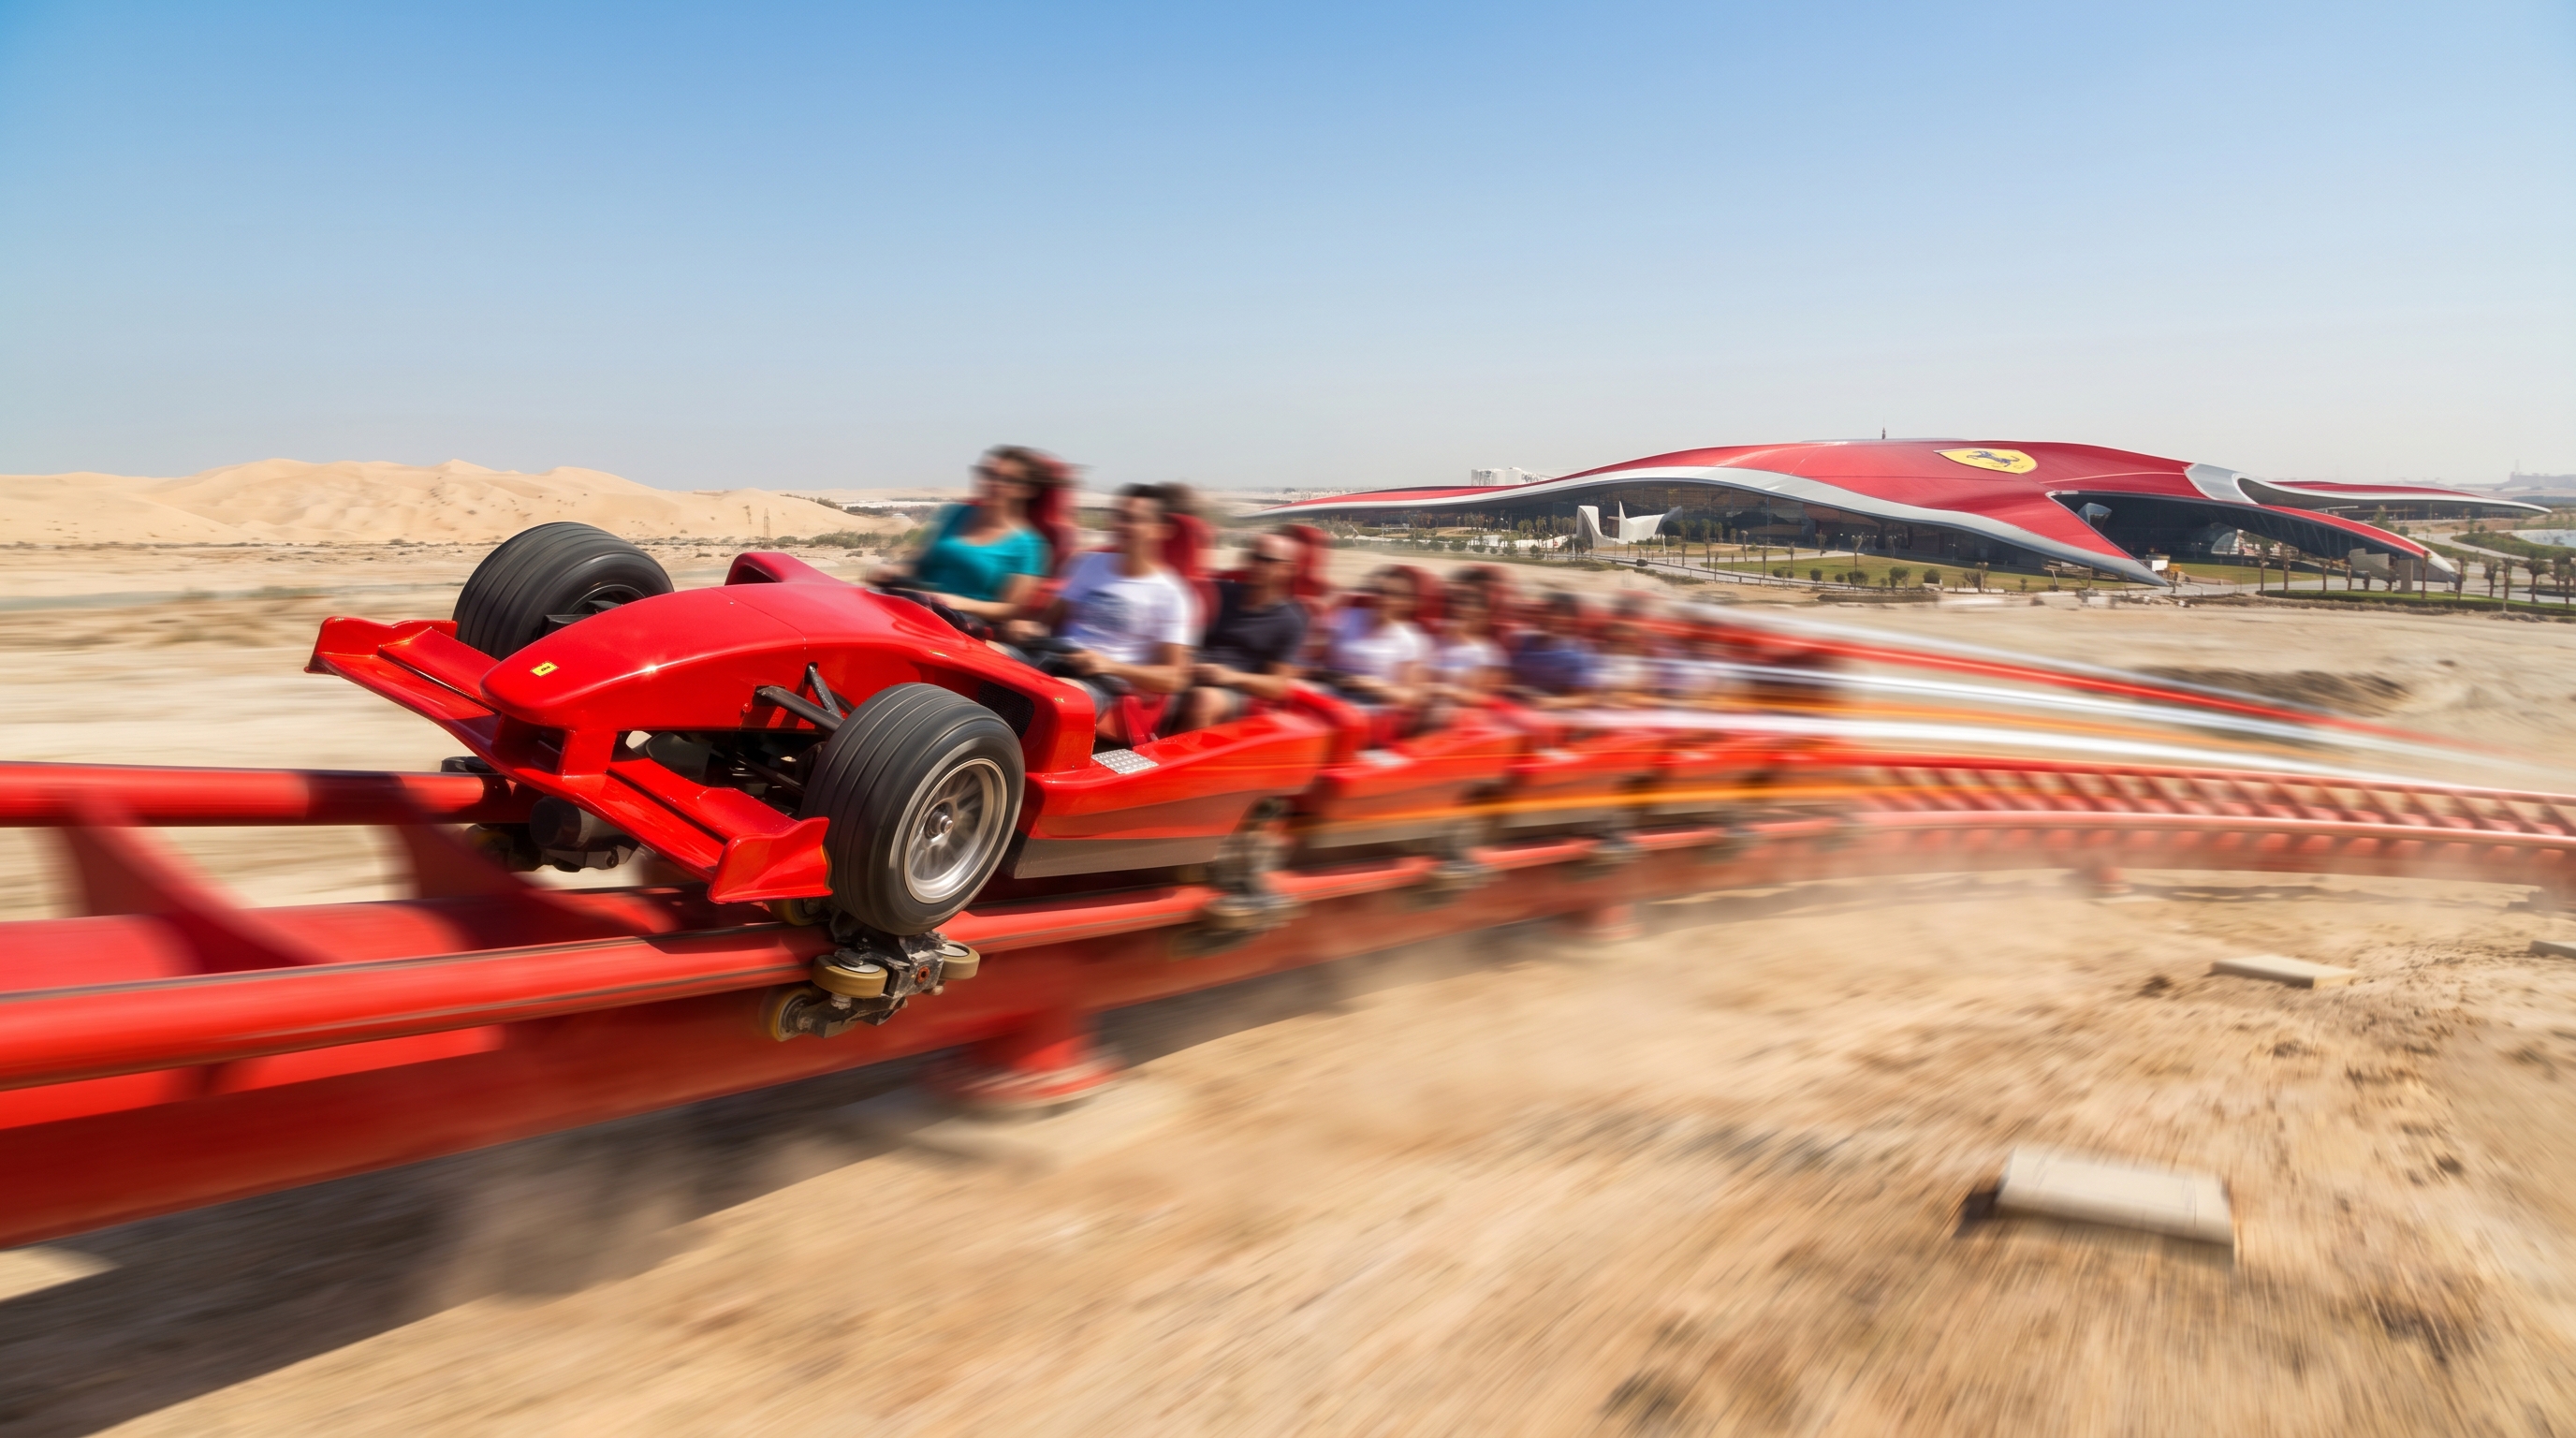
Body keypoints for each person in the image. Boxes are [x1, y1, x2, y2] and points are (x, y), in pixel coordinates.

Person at [1008, 484, 1197, 743]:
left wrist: (1108, 665)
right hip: (1056, 655)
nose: (1122, 525)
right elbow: (1046, 622)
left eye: (1134, 520)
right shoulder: (1088, 562)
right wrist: (1029, 628)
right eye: (1120, 516)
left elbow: (1174, 679)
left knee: (1048, 697)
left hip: (1105, 681)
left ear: (1161, 530)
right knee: (986, 657)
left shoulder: (1172, 594)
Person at [873, 446, 1063, 622]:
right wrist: (895, 571)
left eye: (1007, 479)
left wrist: (956, 603)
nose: (992, 483)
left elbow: (1012, 609)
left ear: (1028, 490)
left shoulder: (1028, 545)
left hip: (965, 627)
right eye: (988, 474)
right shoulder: (957, 513)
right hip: (919, 611)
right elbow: (920, 563)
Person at [1178, 530, 1309, 730]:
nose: (1256, 565)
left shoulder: (1291, 620)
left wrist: (1230, 676)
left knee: (1203, 700)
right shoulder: (1220, 592)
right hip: (1189, 671)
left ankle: (1182, 750)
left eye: (1266, 560)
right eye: (1253, 557)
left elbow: (1277, 686)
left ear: (1288, 569)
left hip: (1234, 689)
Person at [1324, 566, 1429, 712]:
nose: (1384, 599)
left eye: (1394, 594)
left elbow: (1412, 697)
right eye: (1380, 591)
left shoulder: (1412, 640)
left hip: (1370, 707)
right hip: (1329, 693)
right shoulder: (1347, 616)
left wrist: (1373, 686)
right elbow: (1315, 657)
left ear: (1409, 603)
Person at [1425, 579, 1505, 712]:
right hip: (1431, 705)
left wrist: (1446, 691)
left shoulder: (1489, 653)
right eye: (1459, 604)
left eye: (1469, 605)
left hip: (1465, 712)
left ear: (1484, 616)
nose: (1461, 609)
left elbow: (1485, 699)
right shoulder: (1437, 643)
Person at [1507, 591, 1597, 707]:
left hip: (1553, 710)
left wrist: (1549, 702)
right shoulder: (1523, 641)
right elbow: (1508, 677)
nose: (1553, 618)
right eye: (1549, 612)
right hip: (1515, 703)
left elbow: (1586, 698)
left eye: (1562, 614)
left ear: (1572, 620)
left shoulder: (1578, 653)